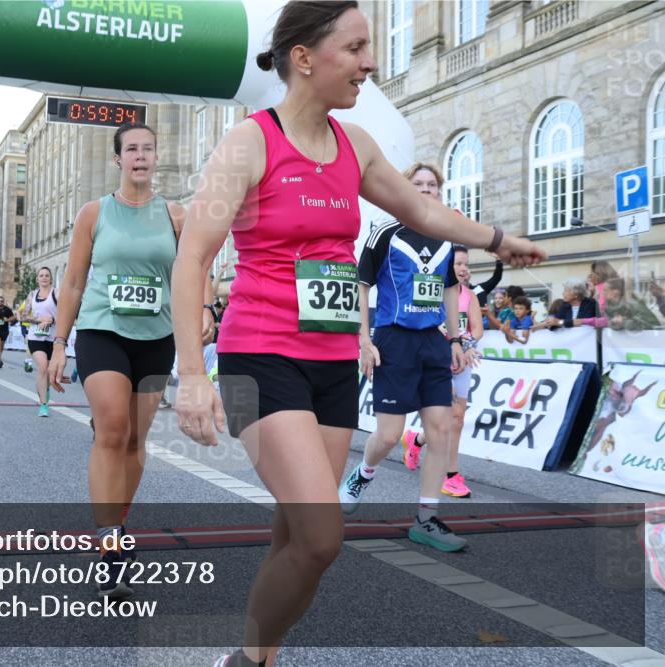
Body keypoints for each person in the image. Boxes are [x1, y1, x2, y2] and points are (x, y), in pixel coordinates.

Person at [169, 3, 545, 665]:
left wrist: (497, 240)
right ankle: (247, 658)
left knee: (295, 533)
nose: (371, 63)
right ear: (305, 57)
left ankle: (264, 655)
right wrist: (193, 377)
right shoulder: (250, 142)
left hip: (335, 359)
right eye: (356, 48)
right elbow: (193, 256)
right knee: (320, 536)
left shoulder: (356, 145)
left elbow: (422, 208)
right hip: (259, 355)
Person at [47, 121, 213, 599]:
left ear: (156, 158)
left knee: (137, 438)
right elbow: (74, 282)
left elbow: (198, 266)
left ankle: (116, 522)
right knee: (113, 427)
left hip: (155, 335)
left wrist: (204, 305)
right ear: (118, 159)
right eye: (132, 149)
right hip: (102, 329)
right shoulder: (94, 213)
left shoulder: (177, 215)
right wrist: (60, 342)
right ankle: (107, 546)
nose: (141, 155)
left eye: (148, 149)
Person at [343, 162, 470, 551]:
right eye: (418, 184)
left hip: (432, 341)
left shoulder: (447, 233)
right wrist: (364, 338)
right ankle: (363, 473)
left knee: (440, 429)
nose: (426, 189)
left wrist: (455, 339)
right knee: (388, 434)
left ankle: (426, 519)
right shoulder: (386, 230)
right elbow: (361, 286)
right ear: (405, 188)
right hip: (393, 339)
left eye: (432, 184)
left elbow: (450, 290)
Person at [399, 244, 485, 501]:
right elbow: (430, 323)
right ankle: (450, 475)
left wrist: (466, 345)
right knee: (447, 417)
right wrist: (453, 345)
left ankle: (417, 440)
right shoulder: (433, 291)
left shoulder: (469, 296)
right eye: (458, 264)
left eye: (466, 265)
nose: (463, 269)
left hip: (463, 360)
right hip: (437, 359)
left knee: (457, 418)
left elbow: (478, 329)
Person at [22, 267, 59, 416]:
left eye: (47, 275)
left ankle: (45, 390)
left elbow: (65, 312)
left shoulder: (56, 293)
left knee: (50, 372)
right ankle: (44, 405)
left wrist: (52, 319)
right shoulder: (32, 294)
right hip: (35, 337)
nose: (44, 278)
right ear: (37, 279)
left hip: (53, 338)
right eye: (41, 275)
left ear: (50, 278)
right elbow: (23, 316)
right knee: (43, 366)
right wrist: (39, 319)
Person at [0, 294, 15, 368]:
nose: (0, 302)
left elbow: (13, 317)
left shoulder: (7, 309)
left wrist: (8, 320)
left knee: (1, 347)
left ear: (3, 302)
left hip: (4, 330)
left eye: (1, 301)